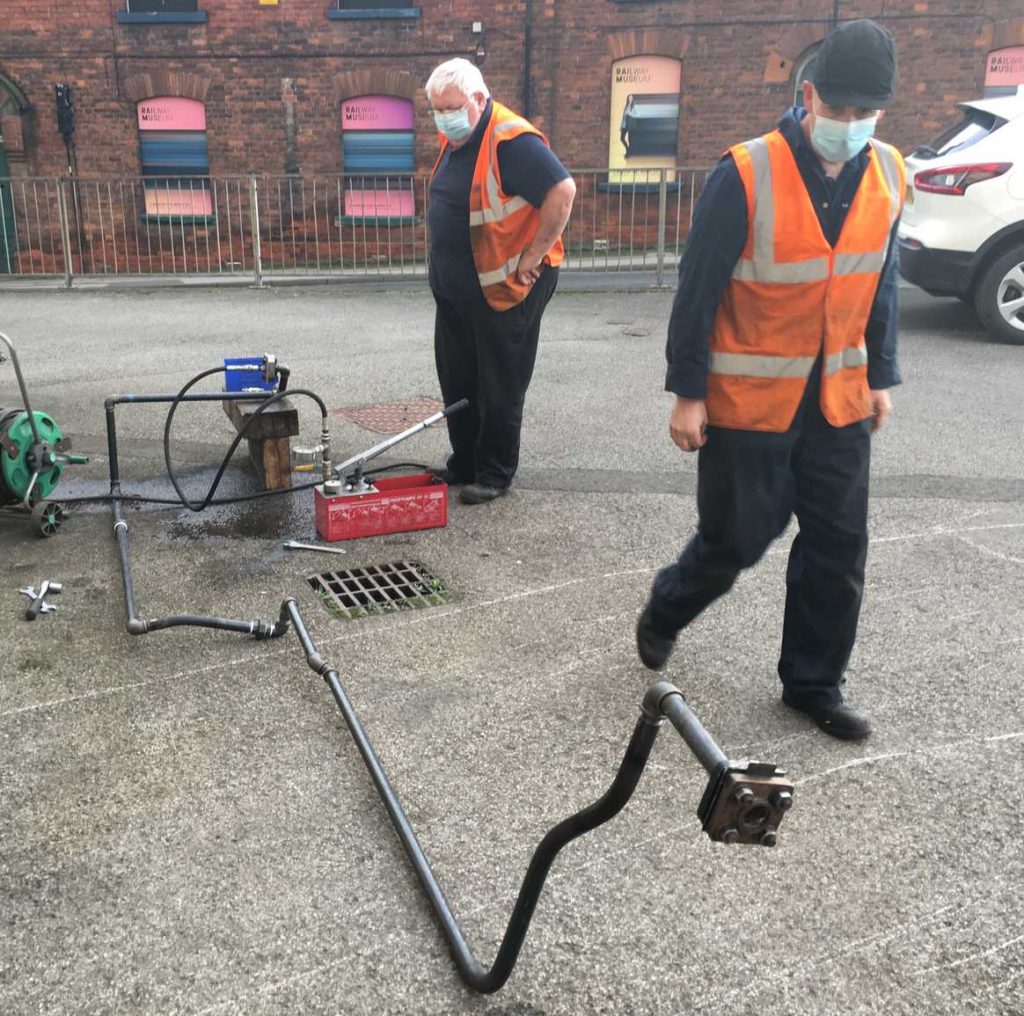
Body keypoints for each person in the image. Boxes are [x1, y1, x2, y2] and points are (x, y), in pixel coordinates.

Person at [636, 20, 906, 741]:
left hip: (839, 399)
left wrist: (880, 374)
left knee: (839, 545)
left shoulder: (890, 173)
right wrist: (687, 394)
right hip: (750, 401)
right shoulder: (745, 172)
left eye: (864, 114)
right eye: (838, 109)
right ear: (808, 95)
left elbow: (881, 281)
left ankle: (813, 682)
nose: (848, 125)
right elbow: (697, 291)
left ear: (882, 111)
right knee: (736, 540)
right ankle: (668, 605)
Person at [425, 58, 576, 505]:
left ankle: (493, 474)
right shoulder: (458, 135)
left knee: (500, 381)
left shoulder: (511, 139)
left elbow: (562, 192)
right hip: (458, 289)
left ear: (478, 98)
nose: (443, 117)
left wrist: (534, 255)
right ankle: (465, 462)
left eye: (450, 107)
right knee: (458, 377)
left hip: (506, 287)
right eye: (436, 109)